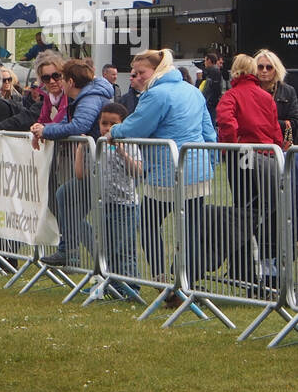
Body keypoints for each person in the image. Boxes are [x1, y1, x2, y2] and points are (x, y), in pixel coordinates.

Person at [107, 48, 216, 293]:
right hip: (197, 169)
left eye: (140, 72)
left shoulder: (156, 95)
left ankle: (163, 279)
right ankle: (184, 283)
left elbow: (137, 127)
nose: (136, 76)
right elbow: (209, 132)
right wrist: (211, 161)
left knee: (147, 223)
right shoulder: (192, 91)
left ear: (156, 70)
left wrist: (113, 132)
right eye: (134, 72)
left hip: (168, 173)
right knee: (190, 229)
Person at [36, 60, 114, 266]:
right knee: (66, 199)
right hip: (95, 164)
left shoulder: (89, 98)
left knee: (69, 200)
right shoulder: (84, 97)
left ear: (70, 81)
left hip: (104, 166)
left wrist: (45, 131)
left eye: (59, 77)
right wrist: (44, 129)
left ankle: (80, 255)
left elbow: (79, 124)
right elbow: (67, 122)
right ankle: (71, 252)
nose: (57, 82)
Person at [217, 53, 283, 288]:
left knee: (243, 214)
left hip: (244, 158)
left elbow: (227, 124)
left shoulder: (231, 96)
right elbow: (276, 131)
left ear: (235, 71)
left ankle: (245, 272)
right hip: (269, 157)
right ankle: (270, 274)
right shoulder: (266, 97)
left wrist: (231, 147)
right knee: (269, 215)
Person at [84, 103, 142, 283]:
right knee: (106, 248)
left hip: (125, 205)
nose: (107, 128)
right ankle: (111, 284)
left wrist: (122, 152)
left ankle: (131, 286)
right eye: (104, 123)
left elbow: (138, 171)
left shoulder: (128, 144)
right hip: (104, 204)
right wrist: (80, 148)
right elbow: (82, 173)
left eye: (113, 124)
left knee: (124, 249)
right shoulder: (98, 145)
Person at [0, 52, 69, 134]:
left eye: (56, 76)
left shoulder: (71, 98)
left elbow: (68, 125)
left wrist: (44, 129)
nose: (52, 81)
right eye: (46, 78)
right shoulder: (47, 101)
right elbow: (26, 118)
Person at [253, 49, 298, 146]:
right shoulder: (250, 91)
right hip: (256, 144)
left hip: (280, 145)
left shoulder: (288, 91)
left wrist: (268, 123)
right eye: (260, 67)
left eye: (269, 67)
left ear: (276, 69)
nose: (264, 70)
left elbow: (294, 122)